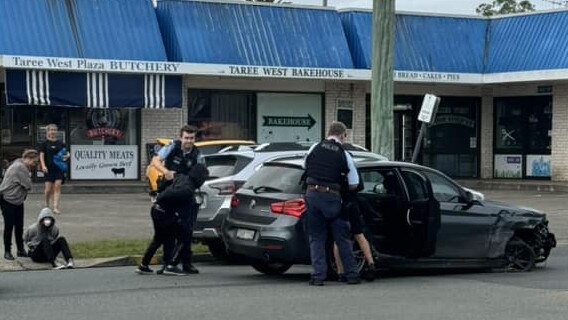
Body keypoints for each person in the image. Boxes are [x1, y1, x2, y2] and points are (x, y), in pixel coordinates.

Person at [304, 121, 361, 286]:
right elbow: (354, 184)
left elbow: (305, 166)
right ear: (343, 135)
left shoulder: (314, 147)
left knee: (316, 237)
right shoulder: (343, 153)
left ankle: (318, 276)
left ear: (328, 133)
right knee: (342, 237)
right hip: (332, 198)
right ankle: (351, 275)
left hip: (312, 195)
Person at [150, 125, 205, 275]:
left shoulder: (197, 154)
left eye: (192, 138)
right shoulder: (172, 146)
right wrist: (166, 172)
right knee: (169, 229)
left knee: (186, 229)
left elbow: (202, 171)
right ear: (181, 137)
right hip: (169, 192)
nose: (189, 141)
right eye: (186, 138)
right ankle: (168, 263)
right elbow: (155, 161)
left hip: (186, 194)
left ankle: (186, 263)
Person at [136, 163, 208, 276]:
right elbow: (175, 198)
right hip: (165, 213)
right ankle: (171, 265)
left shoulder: (183, 178)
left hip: (156, 210)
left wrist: (159, 198)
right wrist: (161, 198)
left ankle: (144, 265)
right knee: (183, 236)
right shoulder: (187, 189)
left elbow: (170, 181)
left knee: (159, 238)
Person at [333, 182, 376, 281]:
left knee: (338, 238)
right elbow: (359, 185)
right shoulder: (351, 169)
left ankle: (340, 271)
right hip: (352, 203)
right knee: (359, 235)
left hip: (337, 204)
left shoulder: (332, 169)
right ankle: (371, 264)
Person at [0, 149, 39, 260]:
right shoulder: (20, 167)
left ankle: (20, 250)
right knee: (9, 226)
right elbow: (28, 185)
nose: (34, 165)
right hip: (7, 199)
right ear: (28, 158)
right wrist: (28, 182)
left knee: (19, 226)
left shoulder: (20, 164)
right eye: (34, 162)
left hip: (17, 200)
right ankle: (7, 251)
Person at [39, 124, 69, 215]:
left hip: (58, 168)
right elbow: (41, 156)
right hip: (48, 169)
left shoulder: (60, 143)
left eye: (54, 130)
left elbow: (66, 153)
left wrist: (67, 156)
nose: (53, 131)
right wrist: (43, 166)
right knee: (48, 189)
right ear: (47, 132)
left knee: (57, 187)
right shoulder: (44, 144)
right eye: (51, 130)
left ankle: (55, 207)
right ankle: (47, 205)